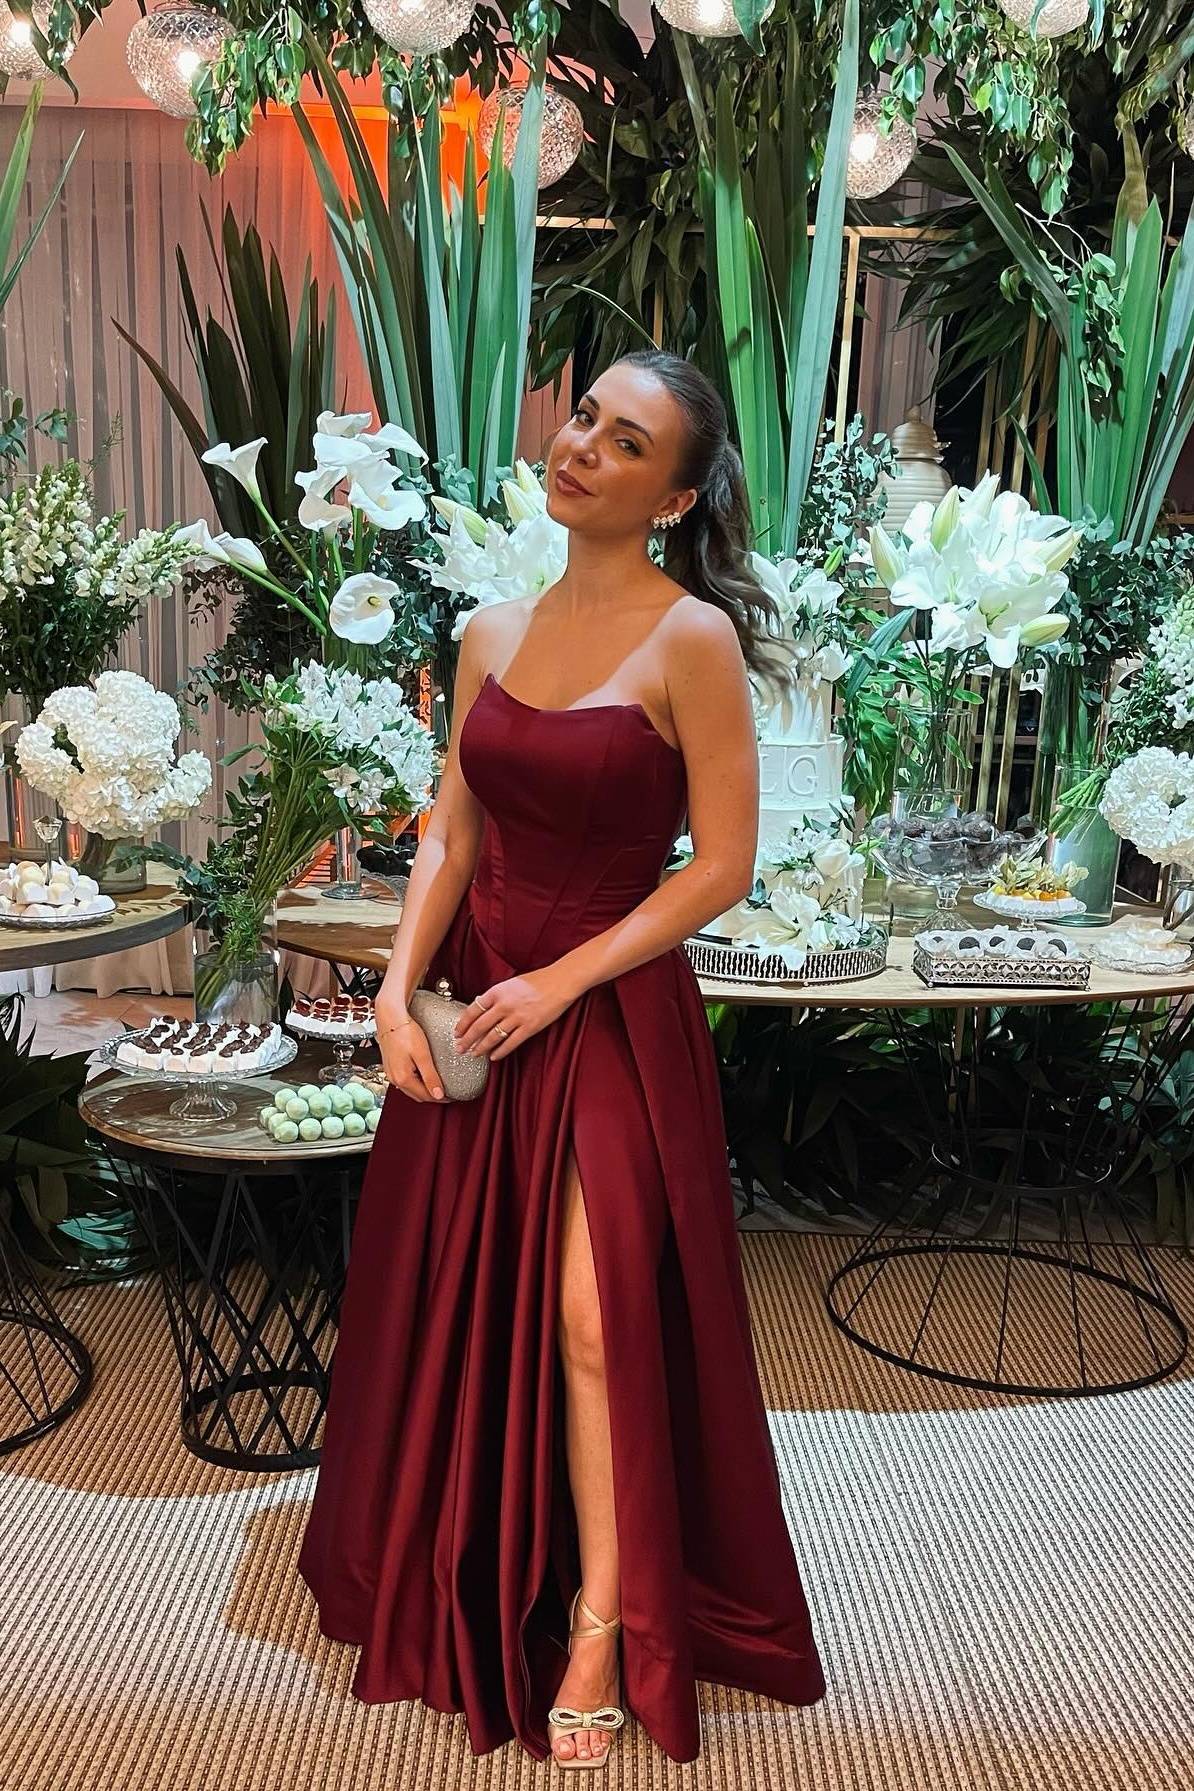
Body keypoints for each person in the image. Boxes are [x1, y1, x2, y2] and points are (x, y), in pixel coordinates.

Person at [297, 349, 827, 1769]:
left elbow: (719, 867)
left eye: (627, 441)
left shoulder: (689, 639)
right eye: (585, 417)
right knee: (462, 1296)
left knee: (595, 1320)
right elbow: (451, 831)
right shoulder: (489, 630)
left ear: (675, 499)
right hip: (480, 1002)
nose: (582, 445)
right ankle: (480, 1563)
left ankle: (604, 1618)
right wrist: (397, 990)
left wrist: (560, 979)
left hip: (603, 1010)